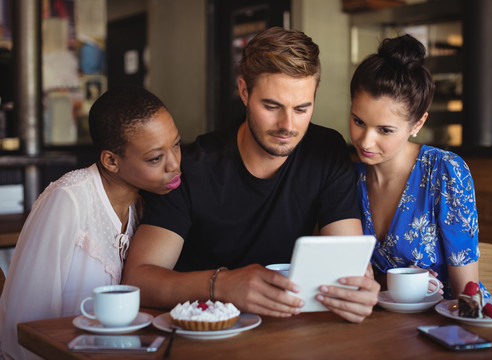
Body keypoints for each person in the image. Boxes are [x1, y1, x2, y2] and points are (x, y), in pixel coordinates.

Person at [122, 26, 380, 323]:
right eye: (272, 106)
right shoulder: (192, 167)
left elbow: (344, 261)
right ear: (244, 91)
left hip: (285, 333)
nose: (288, 125)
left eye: (302, 108)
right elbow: (138, 280)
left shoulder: (326, 151)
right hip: (204, 333)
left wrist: (356, 290)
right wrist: (222, 284)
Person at [0, 86, 181, 359]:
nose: (174, 165)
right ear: (111, 160)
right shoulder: (68, 199)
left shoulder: (143, 205)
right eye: (156, 158)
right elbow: (25, 326)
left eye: (176, 144)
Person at [349, 34, 489, 299]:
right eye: (358, 121)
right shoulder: (349, 178)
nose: (365, 140)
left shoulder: (445, 172)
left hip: (444, 323)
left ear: (418, 124)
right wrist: (391, 284)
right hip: (376, 326)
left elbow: (466, 294)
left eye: (385, 130)